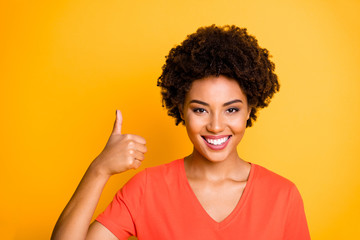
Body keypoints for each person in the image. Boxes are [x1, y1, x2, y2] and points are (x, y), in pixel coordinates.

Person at [51, 25, 311, 240]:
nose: (216, 126)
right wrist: (99, 169)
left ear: (249, 110)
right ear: (181, 109)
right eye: (200, 110)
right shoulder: (146, 190)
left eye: (231, 110)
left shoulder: (282, 196)